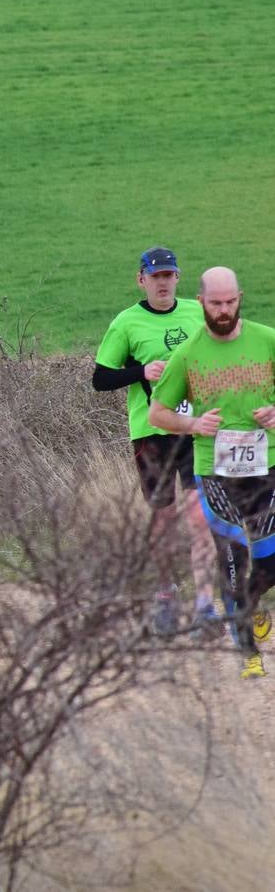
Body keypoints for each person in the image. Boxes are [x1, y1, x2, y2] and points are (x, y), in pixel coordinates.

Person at [149, 266, 275, 679]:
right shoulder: (188, 355)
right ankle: (247, 651)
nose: (224, 310)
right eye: (216, 303)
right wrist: (192, 425)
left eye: (230, 301)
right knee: (232, 558)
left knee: (268, 561)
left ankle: (252, 607)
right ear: (201, 302)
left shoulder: (267, 339)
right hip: (214, 471)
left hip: (265, 466)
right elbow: (158, 412)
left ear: (240, 298)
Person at [93, 247, 219, 636]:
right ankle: (165, 597)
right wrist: (140, 371)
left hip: (193, 430)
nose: (162, 282)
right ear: (141, 280)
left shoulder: (196, 313)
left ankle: (205, 606)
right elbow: (100, 379)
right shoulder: (126, 323)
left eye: (169, 275)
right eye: (155, 276)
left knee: (200, 517)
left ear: (178, 278)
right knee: (164, 518)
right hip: (150, 434)